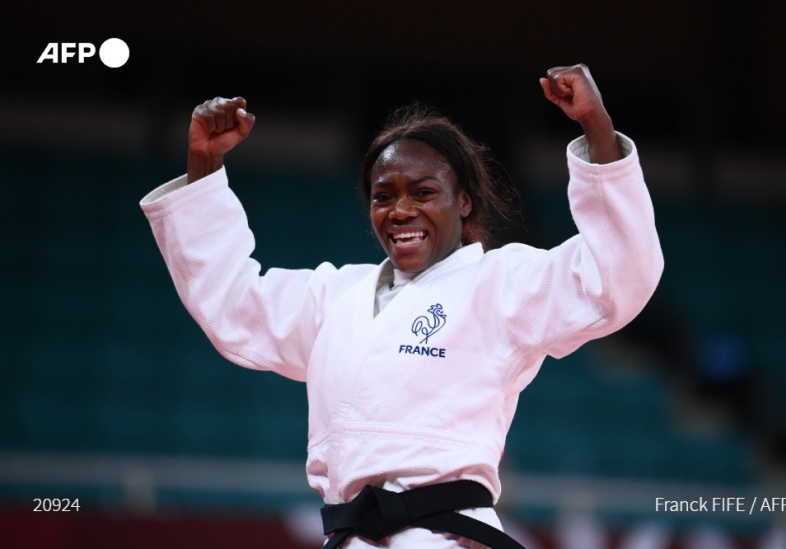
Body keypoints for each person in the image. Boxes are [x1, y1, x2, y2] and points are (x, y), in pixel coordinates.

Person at [140, 64, 664, 548]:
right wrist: (205, 163)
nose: (401, 209)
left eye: (422, 191)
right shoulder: (334, 296)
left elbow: (615, 275)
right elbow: (233, 305)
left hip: (445, 536)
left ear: (464, 202)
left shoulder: (500, 283)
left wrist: (596, 126)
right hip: (351, 534)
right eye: (383, 195)